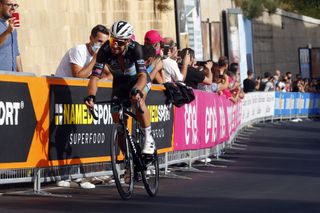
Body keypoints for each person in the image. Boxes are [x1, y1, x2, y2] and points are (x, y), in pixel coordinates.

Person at [84, 21, 155, 157]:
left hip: (139, 80)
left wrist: (137, 90)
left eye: (120, 42)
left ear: (128, 41)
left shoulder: (135, 49)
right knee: (117, 119)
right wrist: (91, 96)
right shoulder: (104, 51)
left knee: (136, 100)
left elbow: (142, 75)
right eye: (113, 40)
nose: (115, 45)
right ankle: (129, 160)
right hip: (120, 82)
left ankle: (148, 137)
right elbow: (94, 77)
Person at [0, 0, 22, 72]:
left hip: (12, 76)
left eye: (15, 5)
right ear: (1, 5)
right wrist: (8, 32)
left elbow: (16, 54)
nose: (13, 8)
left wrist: (22, 76)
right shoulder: (10, 29)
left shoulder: (12, 26)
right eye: (10, 5)